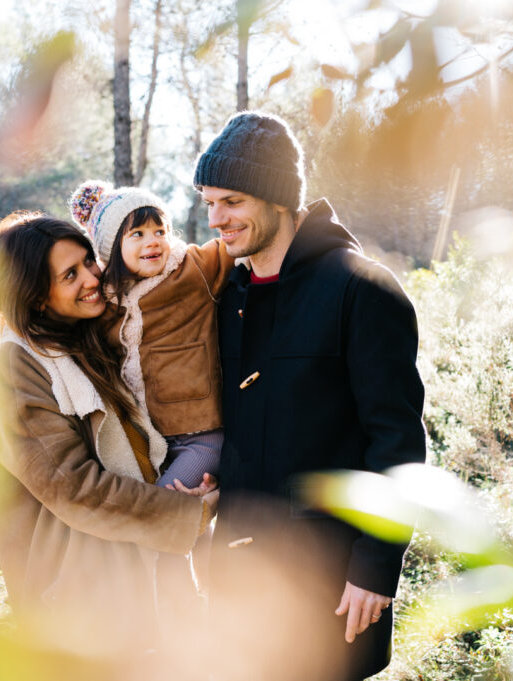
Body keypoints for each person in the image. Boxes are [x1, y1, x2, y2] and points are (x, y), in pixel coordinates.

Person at [193, 111, 427, 681]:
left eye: (232, 201)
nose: (217, 219)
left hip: (325, 571)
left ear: (277, 198)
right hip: (238, 572)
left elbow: (397, 444)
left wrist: (375, 565)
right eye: (208, 204)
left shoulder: (360, 289)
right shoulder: (228, 297)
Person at [0, 211, 217, 673]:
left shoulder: (84, 342)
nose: (91, 278)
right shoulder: (18, 368)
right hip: (83, 606)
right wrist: (188, 514)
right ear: (37, 299)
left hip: (135, 578)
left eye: (88, 261)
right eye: (70, 274)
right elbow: (73, 488)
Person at [68, 181, 234, 489]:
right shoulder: (106, 304)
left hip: (202, 435)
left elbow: (234, 249)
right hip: (149, 442)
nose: (153, 241)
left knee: (162, 507)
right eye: (138, 234)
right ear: (110, 248)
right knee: (170, 515)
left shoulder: (191, 269)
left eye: (160, 231)